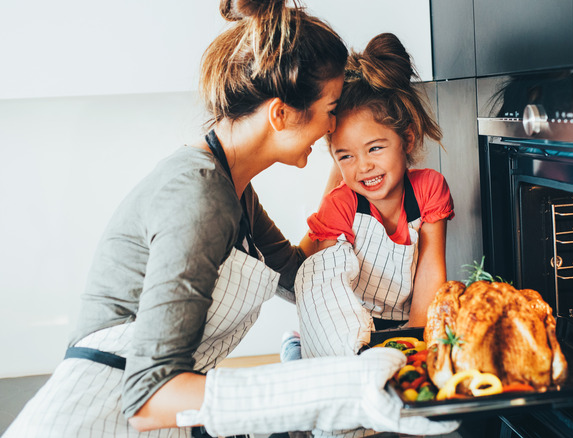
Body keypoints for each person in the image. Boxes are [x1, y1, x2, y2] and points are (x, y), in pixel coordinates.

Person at [3, 2, 456, 437]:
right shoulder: (197, 196)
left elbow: (303, 273)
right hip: (93, 421)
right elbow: (149, 396)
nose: (331, 128)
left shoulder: (232, 189)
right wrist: (341, 385)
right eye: (332, 109)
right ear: (281, 114)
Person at [291, 33, 453, 358]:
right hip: (343, 333)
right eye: (346, 156)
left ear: (406, 140)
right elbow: (328, 294)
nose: (364, 166)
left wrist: (414, 342)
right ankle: (293, 345)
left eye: (375, 148)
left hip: (401, 326)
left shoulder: (429, 190)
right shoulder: (341, 205)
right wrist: (359, 354)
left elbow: (430, 274)